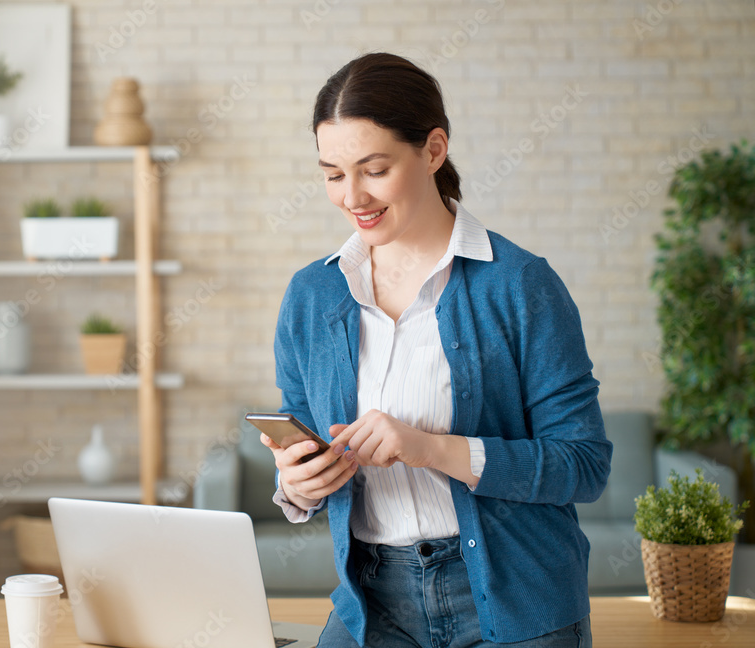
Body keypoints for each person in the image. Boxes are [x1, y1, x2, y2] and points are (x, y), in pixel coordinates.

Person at [261, 52, 612, 648]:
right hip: (371, 601)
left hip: (516, 597)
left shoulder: (520, 285)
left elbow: (583, 465)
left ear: (432, 150)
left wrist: (429, 448)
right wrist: (299, 484)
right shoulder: (312, 297)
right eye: (332, 173)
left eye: (374, 169)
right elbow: (304, 448)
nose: (353, 196)